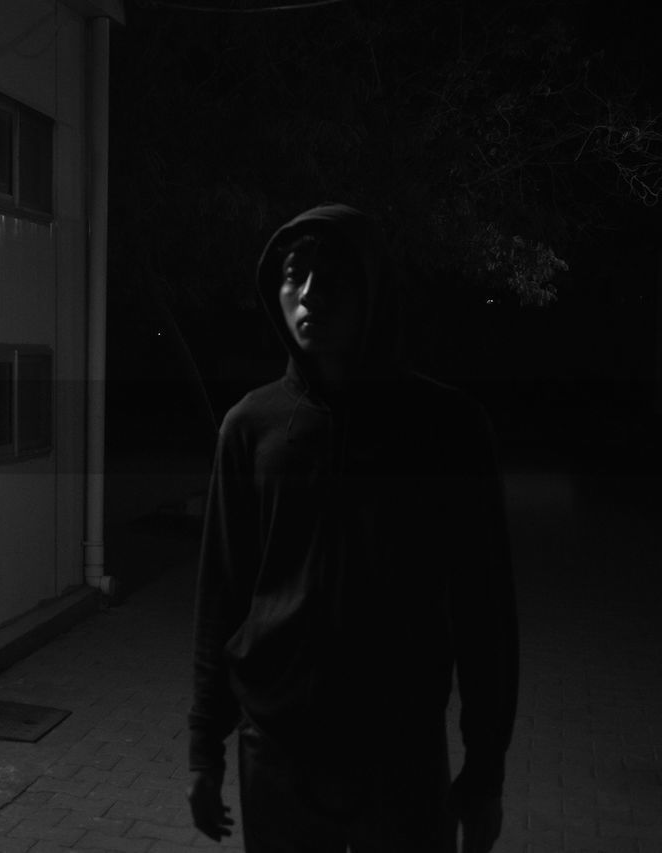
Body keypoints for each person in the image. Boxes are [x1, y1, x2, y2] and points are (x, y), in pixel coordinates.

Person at [186, 203, 518, 852]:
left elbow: (487, 612)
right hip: (276, 751)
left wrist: (485, 771)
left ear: (373, 290)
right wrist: (205, 749)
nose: (309, 293)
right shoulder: (250, 428)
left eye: (333, 275)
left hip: (399, 756)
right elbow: (221, 594)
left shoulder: (447, 430)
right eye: (293, 272)